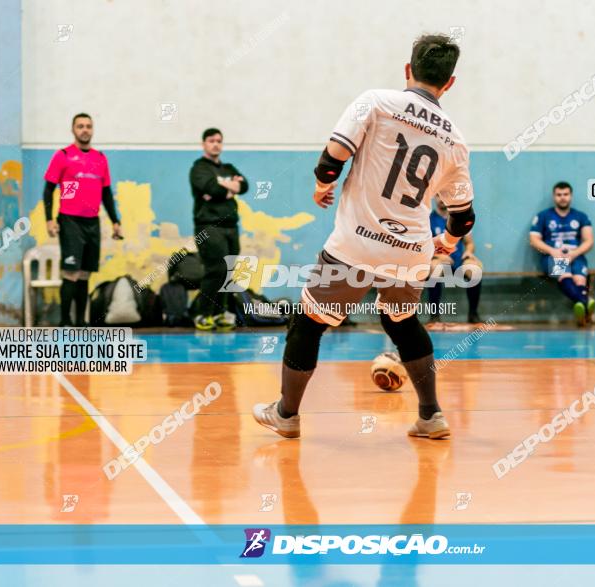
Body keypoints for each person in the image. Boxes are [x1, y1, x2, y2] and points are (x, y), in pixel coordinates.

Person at [252, 33, 474, 439]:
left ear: (408, 70)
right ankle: (430, 416)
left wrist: (322, 184)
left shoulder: (376, 100)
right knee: (402, 321)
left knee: (308, 322)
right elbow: (463, 216)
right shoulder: (456, 140)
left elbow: (333, 157)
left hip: (356, 242)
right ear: (450, 83)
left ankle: (286, 414)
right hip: (411, 250)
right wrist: (450, 243)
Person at [43, 113, 121, 327]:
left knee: (85, 273)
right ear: (73, 130)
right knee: (71, 272)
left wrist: (115, 221)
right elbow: (49, 189)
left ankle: (80, 321)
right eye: (80, 126)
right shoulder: (63, 155)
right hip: (70, 220)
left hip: (92, 221)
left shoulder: (100, 158)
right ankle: (65, 320)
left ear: (92, 129)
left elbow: (106, 193)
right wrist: (49, 220)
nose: (85, 130)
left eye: (88, 126)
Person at [189, 128, 249, 331]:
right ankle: (202, 314)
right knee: (216, 269)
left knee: (230, 271)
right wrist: (229, 187)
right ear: (203, 144)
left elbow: (245, 186)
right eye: (211, 141)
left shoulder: (229, 167)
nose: (215, 144)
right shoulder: (199, 169)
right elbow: (212, 189)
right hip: (209, 226)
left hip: (231, 227)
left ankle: (220, 313)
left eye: (219, 141)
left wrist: (224, 185)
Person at [529, 181, 595, 326]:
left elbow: (589, 240)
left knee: (579, 280)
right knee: (565, 275)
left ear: (570, 196)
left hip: (576, 255)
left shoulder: (581, 216)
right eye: (559, 195)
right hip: (553, 256)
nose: (562, 198)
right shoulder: (543, 216)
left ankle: (581, 308)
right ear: (554, 196)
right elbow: (534, 240)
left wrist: (574, 253)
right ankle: (585, 301)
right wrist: (553, 251)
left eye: (565, 194)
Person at [427, 195, 483, 325]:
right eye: (438, 196)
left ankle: (473, 314)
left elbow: (469, 243)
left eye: (444, 195)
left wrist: (468, 252)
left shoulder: (460, 218)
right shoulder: (428, 219)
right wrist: (439, 255)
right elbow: (423, 245)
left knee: (475, 269)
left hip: (458, 260)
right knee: (435, 268)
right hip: (438, 259)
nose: (442, 199)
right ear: (434, 197)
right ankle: (434, 316)